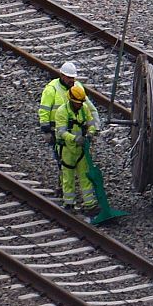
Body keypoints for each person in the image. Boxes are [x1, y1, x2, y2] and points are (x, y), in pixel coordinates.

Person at [54, 83, 102, 214]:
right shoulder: (62, 112)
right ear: (71, 101)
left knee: (85, 176)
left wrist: (91, 133)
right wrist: (75, 138)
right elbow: (62, 132)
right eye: (77, 103)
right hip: (67, 150)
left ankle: (90, 204)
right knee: (68, 177)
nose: (80, 105)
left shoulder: (84, 108)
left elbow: (90, 123)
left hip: (81, 150)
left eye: (81, 103)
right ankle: (69, 203)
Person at [38, 62, 80, 195]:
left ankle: (66, 186)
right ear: (62, 75)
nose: (71, 80)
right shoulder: (52, 89)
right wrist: (46, 130)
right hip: (57, 131)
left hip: (73, 130)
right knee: (62, 160)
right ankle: (63, 186)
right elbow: (44, 110)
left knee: (74, 160)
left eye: (73, 78)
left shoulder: (77, 87)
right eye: (69, 77)